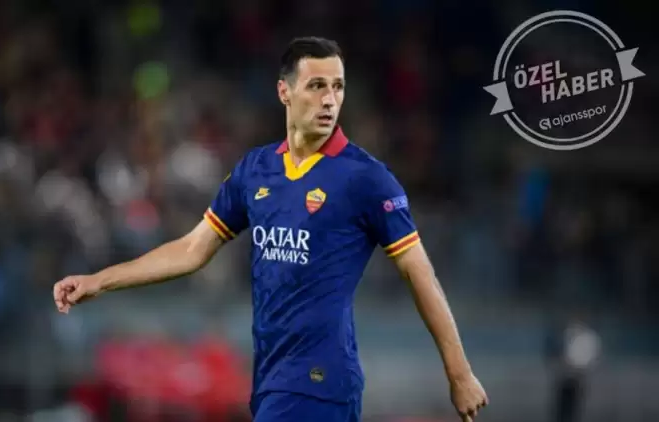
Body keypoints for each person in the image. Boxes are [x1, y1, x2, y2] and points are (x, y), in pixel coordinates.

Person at [53, 36, 488, 422]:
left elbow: (419, 272)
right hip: (271, 379)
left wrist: (459, 374)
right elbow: (191, 249)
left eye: (337, 87)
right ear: (284, 91)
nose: (329, 100)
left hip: (318, 379)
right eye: (316, 86)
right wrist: (100, 281)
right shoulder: (256, 170)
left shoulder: (366, 179)